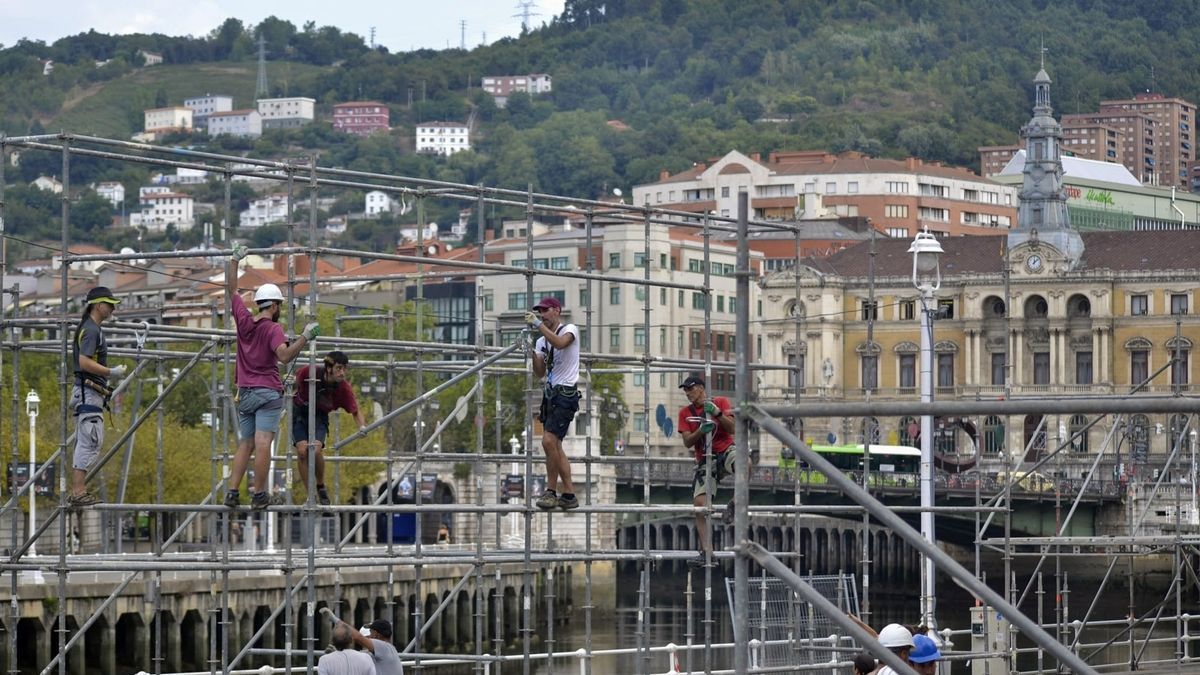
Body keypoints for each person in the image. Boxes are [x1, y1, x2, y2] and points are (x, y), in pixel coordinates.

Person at [225, 246, 319, 509]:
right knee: (263, 442)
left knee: (246, 443)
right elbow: (285, 356)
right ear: (275, 306)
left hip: (244, 392)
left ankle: (232, 492)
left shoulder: (244, 322)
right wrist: (305, 337)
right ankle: (258, 494)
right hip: (267, 392)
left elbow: (231, 290)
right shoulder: (273, 328)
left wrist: (234, 261)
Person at [677, 375, 747, 563]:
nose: (688, 393)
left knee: (744, 463)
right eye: (685, 390)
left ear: (701, 388)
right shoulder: (685, 413)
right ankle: (707, 551)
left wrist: (716, 413)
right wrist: (701, 430)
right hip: (705, 460)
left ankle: (734, 503)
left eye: (690, 389)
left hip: (725, 450)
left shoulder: (721, 402)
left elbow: (732, 429)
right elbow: (687, 442)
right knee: (699, 506)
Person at [69, 286, 126, 508]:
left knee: (89, 439)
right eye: (109, 305)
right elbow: (84, 362)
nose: (112, 309)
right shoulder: (91, 330)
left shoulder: (91, 328)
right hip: (89, 391)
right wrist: (110, 372)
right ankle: (78, 490)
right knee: (89, 440)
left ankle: (78, 490)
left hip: (88, 392)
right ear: (98, 305)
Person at [524, 297, 581, 511]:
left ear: (557, 311)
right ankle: (569, 494)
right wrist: (531, 352)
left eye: (545, 311)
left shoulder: (570, 329)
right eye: (539, 312)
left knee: (548, 442)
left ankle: (550, 491)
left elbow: (560, 343)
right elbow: (539, 371)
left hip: (565, 394)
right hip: (551, 395)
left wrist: (538, 326)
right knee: (555, 445)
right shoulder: (541, 341)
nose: (542, 315)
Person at [293, 351, 366, 505]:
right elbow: (293, 382)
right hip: (300, 412)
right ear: (328, 368)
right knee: (301, 452)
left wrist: (362, 427)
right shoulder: (309, 372)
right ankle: (310, 494)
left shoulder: (343, 388)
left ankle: (320, 486)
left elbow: (355, 410)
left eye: (345, 369)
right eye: (339, 368)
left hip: (320, 416)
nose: (342, 372)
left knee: (316, 449)